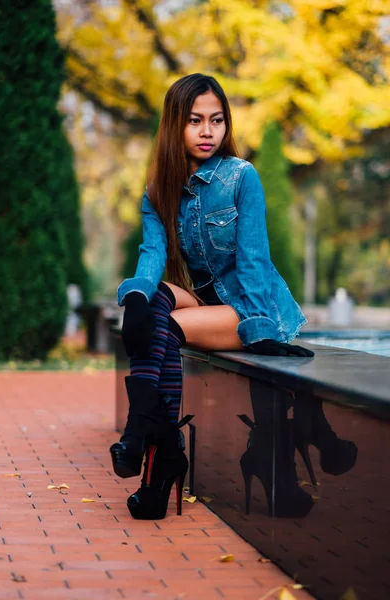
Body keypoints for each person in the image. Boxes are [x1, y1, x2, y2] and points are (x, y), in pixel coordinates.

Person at [110, 73, 314, 521]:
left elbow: (255, 259)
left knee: (163, 327)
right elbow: (151, 256)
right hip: (208, 303)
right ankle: (159, 442)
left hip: (251, 309)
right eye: (195, 121)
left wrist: (261, 331)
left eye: (217, 120)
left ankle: (148, 439)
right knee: (151, 302)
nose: (208, 132)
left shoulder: (242, 177)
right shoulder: (158, 190)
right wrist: (136, 298)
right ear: (174, 126)